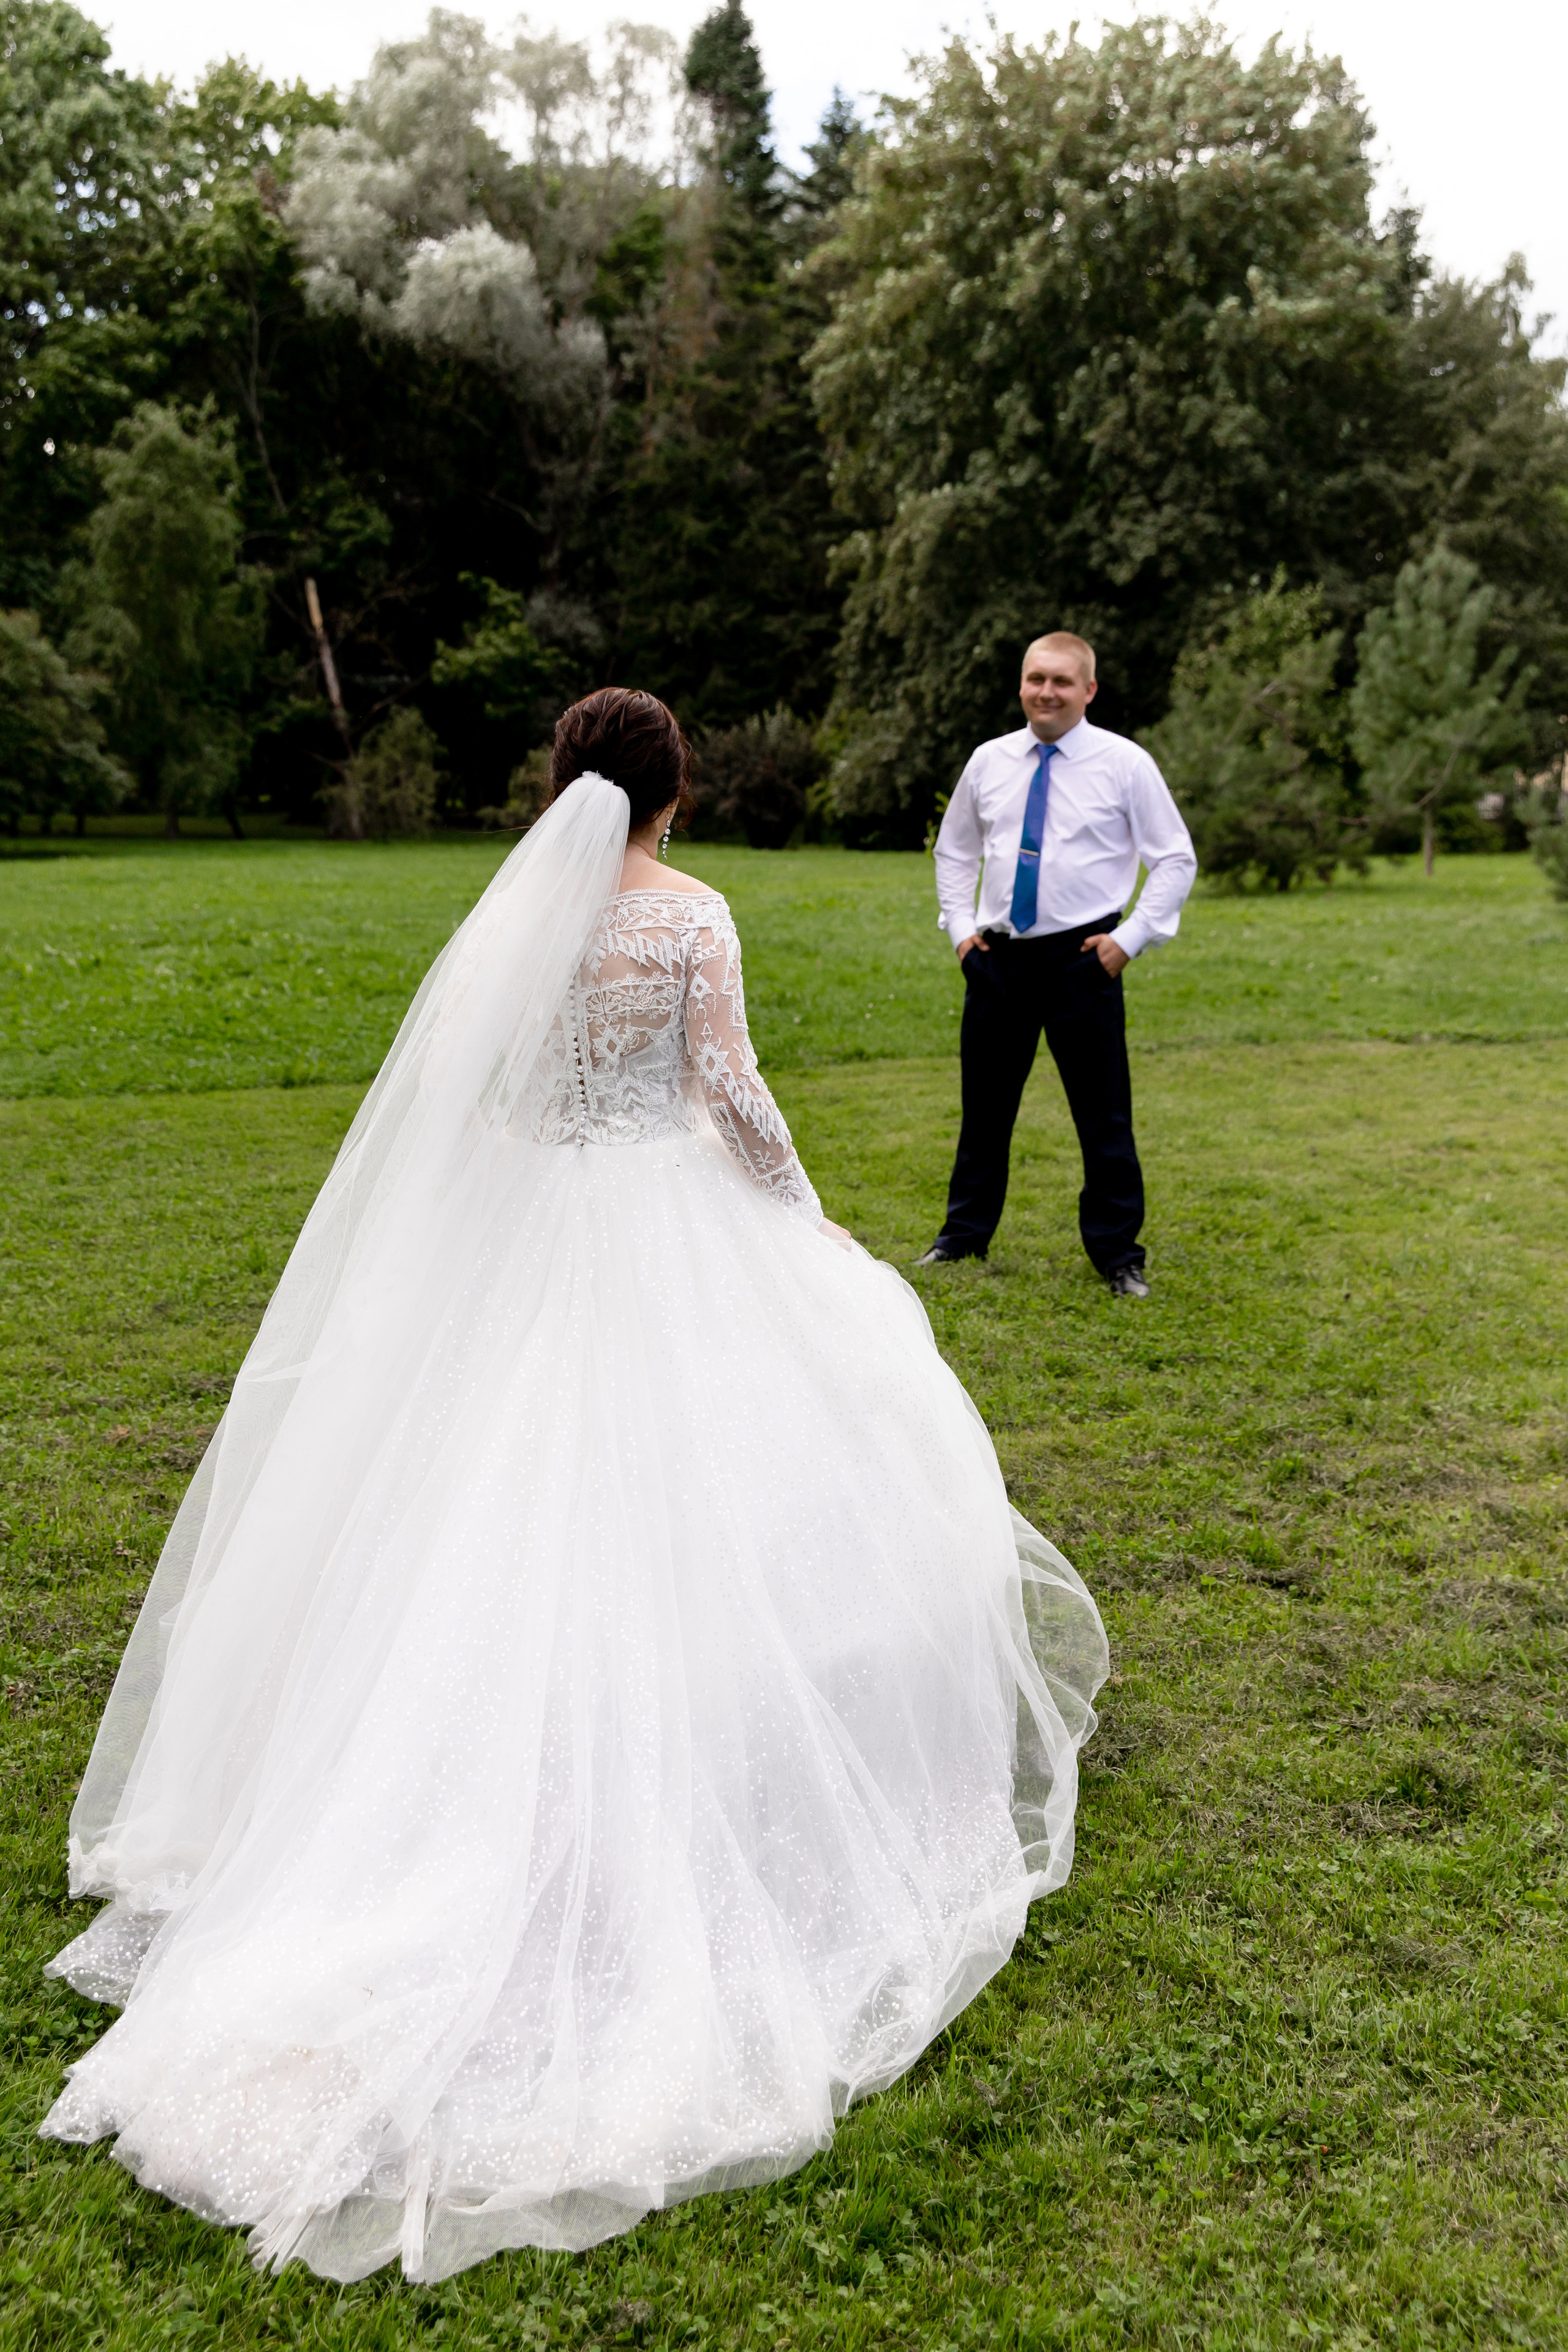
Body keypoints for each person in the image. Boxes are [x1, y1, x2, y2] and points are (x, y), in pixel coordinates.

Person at [41, 688, 1107, 2283]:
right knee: (708, 1499)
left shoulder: (501, 929)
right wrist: (808, 1223)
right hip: (658, 1220)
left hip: (533, 1234)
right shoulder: (691, 919)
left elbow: (472, 1111)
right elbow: (733, 1097)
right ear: (676, 795)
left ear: (564, 790)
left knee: (483, 1516)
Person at [917, 633, 1196, 1294]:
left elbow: (1175, 859)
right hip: (997, 959)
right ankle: (962, 1236)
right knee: (984, 1108)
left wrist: (1127, 941)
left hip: (1083, 960)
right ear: (1021, 684)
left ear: (1088, 690)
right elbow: (954, 851)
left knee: (1103, 1115)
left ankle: (1117, 1254)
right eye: (1036, 679)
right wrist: (960, 932)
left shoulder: (1124, 764)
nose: (1046, 692)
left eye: (1062, 682)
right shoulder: (989, 761)